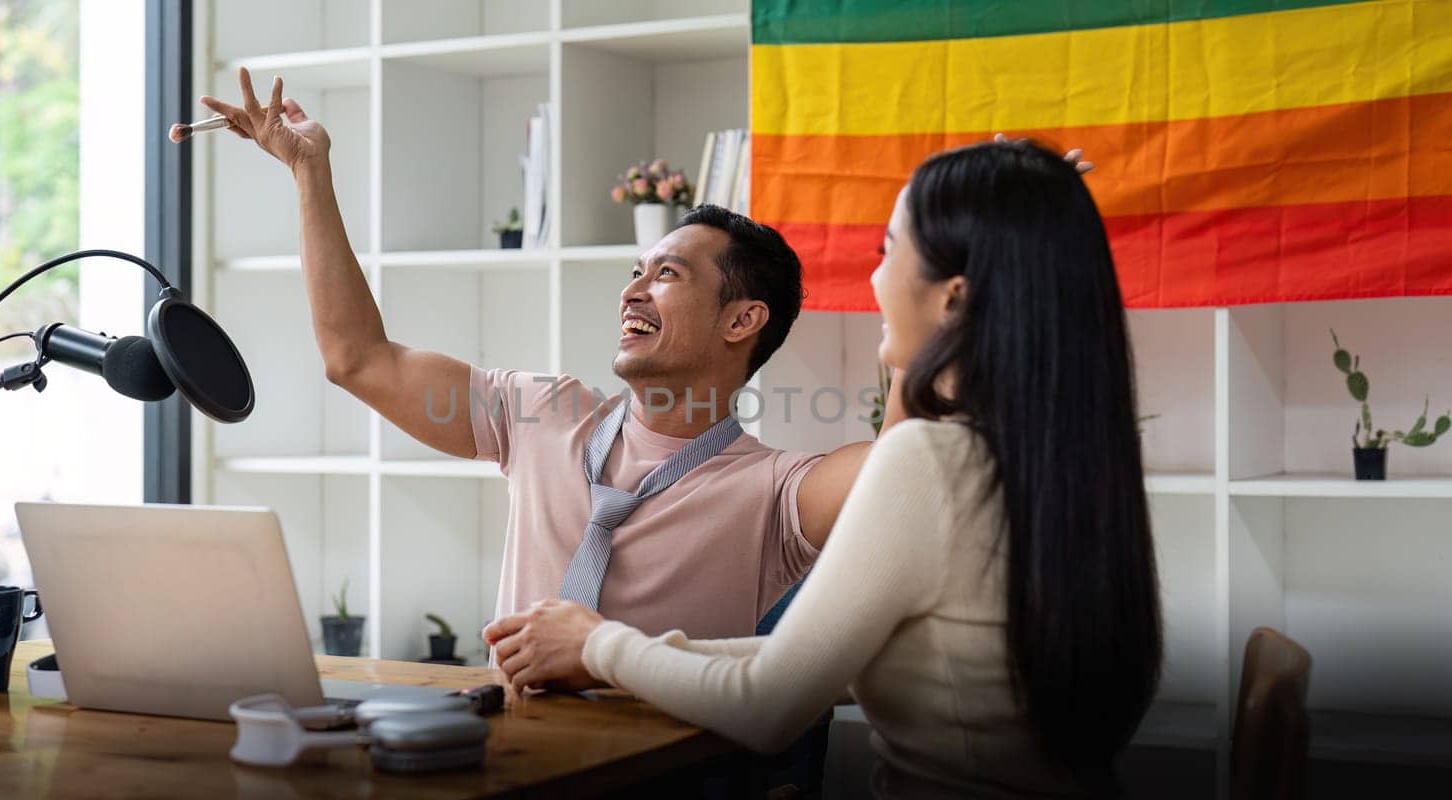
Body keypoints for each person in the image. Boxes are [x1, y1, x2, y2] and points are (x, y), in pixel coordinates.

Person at [483, 140, 1164, 797]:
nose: (873, 278)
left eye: (888, 250)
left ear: (953, 298)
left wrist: (601, 646)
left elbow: (768, 703)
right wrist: (614, 655)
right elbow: (798, 671)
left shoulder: (929, 462)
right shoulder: (1054, 462)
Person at [197, 69, 879, 657]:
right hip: (505, 757)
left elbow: (912, 456)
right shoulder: (542, 414)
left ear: (742, 319)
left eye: (666, 274)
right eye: (634, 270)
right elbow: (358, 360)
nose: (632, 290)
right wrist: (309, 169)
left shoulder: (777, 491)